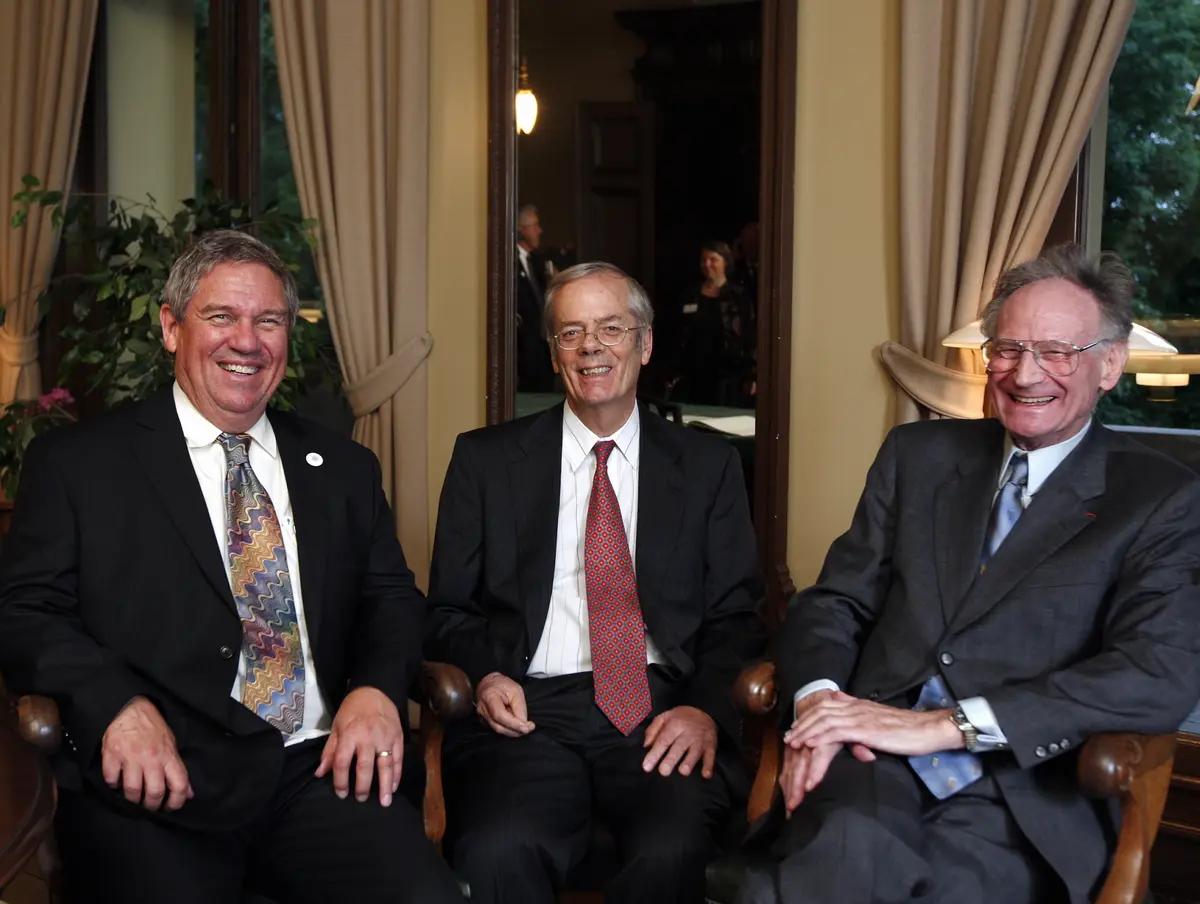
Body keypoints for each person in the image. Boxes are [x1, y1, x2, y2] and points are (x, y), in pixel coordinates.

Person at [0, 230, 462, 904]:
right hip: (159, 782)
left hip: (320, 769)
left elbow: (390, 596)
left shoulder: (343, 468)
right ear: (170, 326)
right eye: (222, 317)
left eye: (268, 320)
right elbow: (23, 612)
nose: (247, 341)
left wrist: (375, 691)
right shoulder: (79, 466)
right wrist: (113, 705)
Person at [738, 244, 1200, 904]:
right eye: (1007, 349)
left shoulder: (1158, 497)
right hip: (871, 763)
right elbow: (834, 603)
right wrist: (818, 705)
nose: (1024, 372)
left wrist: (949, 725)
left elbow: (1157, 672)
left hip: (1024, 794)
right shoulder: (917, 456)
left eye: (1055, 351)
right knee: (841, 854)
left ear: (1109, 364)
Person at [426, 261, 765, 904]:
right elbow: (445, 610)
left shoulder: (707, 467)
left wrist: (703, 708)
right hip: (525, 711)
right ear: (554, 355)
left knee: (674, 850)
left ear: (645, 343)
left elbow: (737, 615)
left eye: (611, 327)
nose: (591, 347)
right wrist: (488, 674)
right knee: (500, 848)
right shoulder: (485, 461)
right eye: (571, 332)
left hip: (661, 708)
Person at [675, 239, 754, 406]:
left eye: (713, 259)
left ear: (725, 262)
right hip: (695, 375)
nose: (707, 264)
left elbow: (750, 335)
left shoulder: (738, 296)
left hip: (729, 377)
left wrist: (752, 374)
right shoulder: (690, 295)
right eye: (703, 260)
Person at [516, 203, 557, 392]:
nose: (539, 231)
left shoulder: (537, 261)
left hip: (540, 349)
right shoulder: (508, 260)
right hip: (522, 352)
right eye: (535, 225)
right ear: (521, 229)